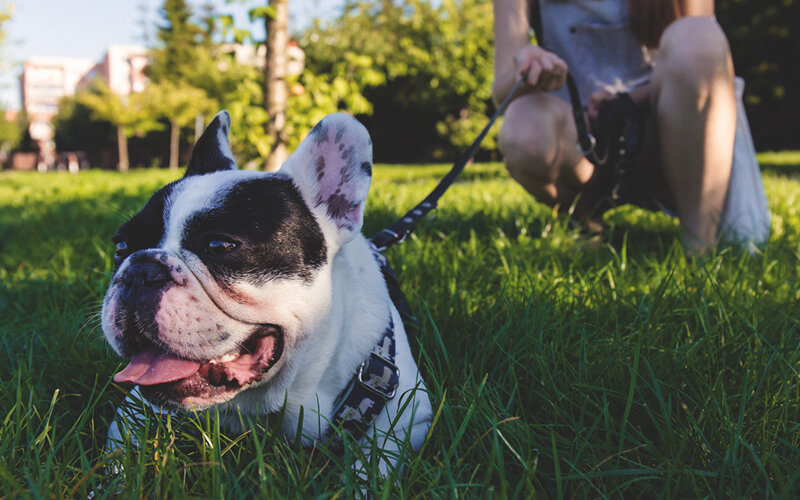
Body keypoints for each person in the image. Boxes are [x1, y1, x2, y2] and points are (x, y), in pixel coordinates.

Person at [492, 0, 770, 254]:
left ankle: (700, 246)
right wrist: (529, 69)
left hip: (669, 133)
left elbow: (709, 59)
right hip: (583, 139)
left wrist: (623, 101)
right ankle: (584, 218)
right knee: (522, 125)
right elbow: (502, 91)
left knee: (699, 35)